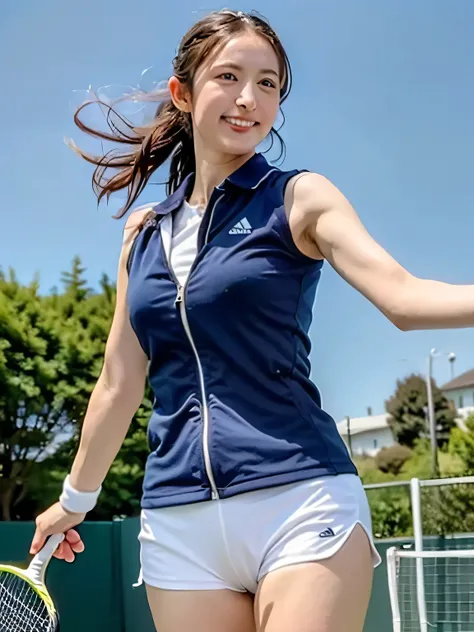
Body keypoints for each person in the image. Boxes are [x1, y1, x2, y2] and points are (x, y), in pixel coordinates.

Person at [30, 9, 474, 632]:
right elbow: (119, 383)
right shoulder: (145, 237)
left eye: (268, 84)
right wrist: (74, 500)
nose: (248, 99)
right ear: (184, 94)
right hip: (178, 523)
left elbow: (403, 299)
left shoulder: (299, 198)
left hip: (301, 497)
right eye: (229, 77)